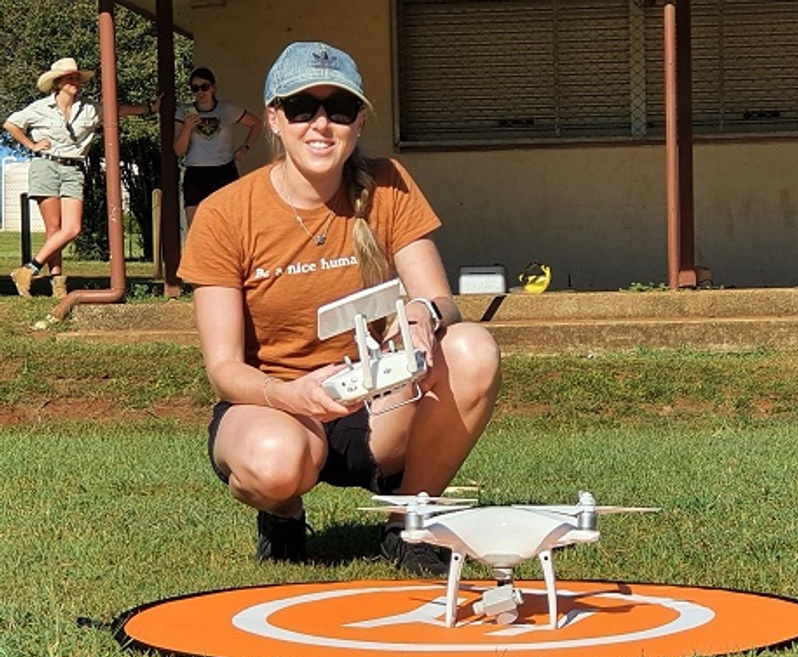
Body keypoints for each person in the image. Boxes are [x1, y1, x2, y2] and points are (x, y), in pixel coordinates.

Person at [178, 41, 501, 576]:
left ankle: (409, 523)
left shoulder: (388, 184)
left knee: (472, 349)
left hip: (376, 402)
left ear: (359, 121)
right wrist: (289, 394)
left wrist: (424, 315)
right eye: (303, 108)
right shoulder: (225, 213)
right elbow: (224, 369)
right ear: (276, 119)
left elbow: (442, 301)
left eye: (339, 109)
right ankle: (282, 515)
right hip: (276, 403)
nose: (321, 125)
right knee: (273, 463)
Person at [3, 57, 161, 299]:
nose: (76, 81)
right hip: (45, 166)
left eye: (77, 77)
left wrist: (149, 108)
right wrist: (32, 144)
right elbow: (11, 124)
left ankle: (28, 269)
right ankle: (58, 284)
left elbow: (117, 111)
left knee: (72, 227)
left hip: (73, 169)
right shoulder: (39, 108)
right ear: (58, 83)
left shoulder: (89, 108)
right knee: (54, 228)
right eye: (70, 77)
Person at [173, 67, 262, 226]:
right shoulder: (184, 112)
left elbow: (256, 124)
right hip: (196, 172)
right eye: (195, 88)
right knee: (196, 228)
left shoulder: (227, 109)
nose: (201, 92)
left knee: (229, 225)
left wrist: (245, 147)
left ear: (213, 88)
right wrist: (187, 128)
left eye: (204, 87)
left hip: (223, 171)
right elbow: (178, 150)